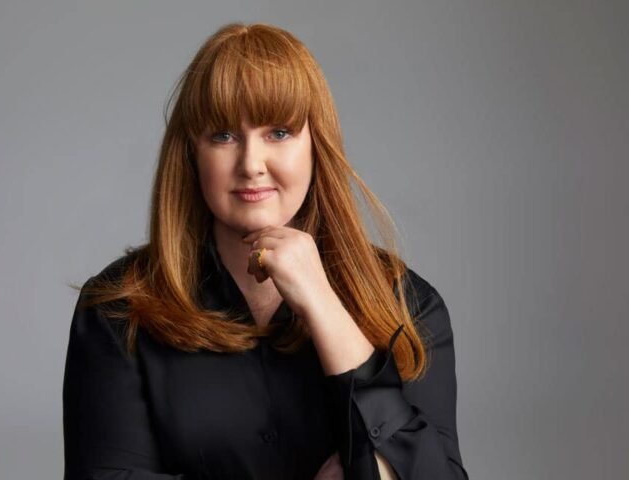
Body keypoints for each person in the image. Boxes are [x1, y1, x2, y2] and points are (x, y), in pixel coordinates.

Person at [62, 22, 469, 480]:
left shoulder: (408, 305)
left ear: (316, 145)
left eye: (278, 132)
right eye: (223, 135)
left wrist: (324, 306)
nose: (251, 164)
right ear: (192, 152)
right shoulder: (119, 309)